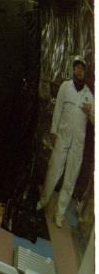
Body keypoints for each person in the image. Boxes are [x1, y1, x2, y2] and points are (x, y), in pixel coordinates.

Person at [39, 55, 94, 228]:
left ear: (85, 72)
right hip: (62, 138)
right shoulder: (65, 87)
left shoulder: (89, 96)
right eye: (77, 67)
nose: (79, 70)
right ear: (73, 69)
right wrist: (54, 131)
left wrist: (91, 111)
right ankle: (44, 201)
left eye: (82, 68)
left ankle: (60, 214)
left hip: (77, 145)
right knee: (53, 171)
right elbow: (58, 109)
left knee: (70, 179)